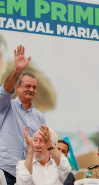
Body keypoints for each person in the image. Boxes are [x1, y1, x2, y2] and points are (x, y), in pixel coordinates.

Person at [0, 45, 46, 185]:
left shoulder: (40, 117)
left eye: (34, 87)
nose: (31, 90)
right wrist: (18, 70)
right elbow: (5, 92)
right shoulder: (6, 105)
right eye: (27, 86)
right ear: (17, 87)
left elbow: (41, 146)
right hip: (5, 170)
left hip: (28, 174)